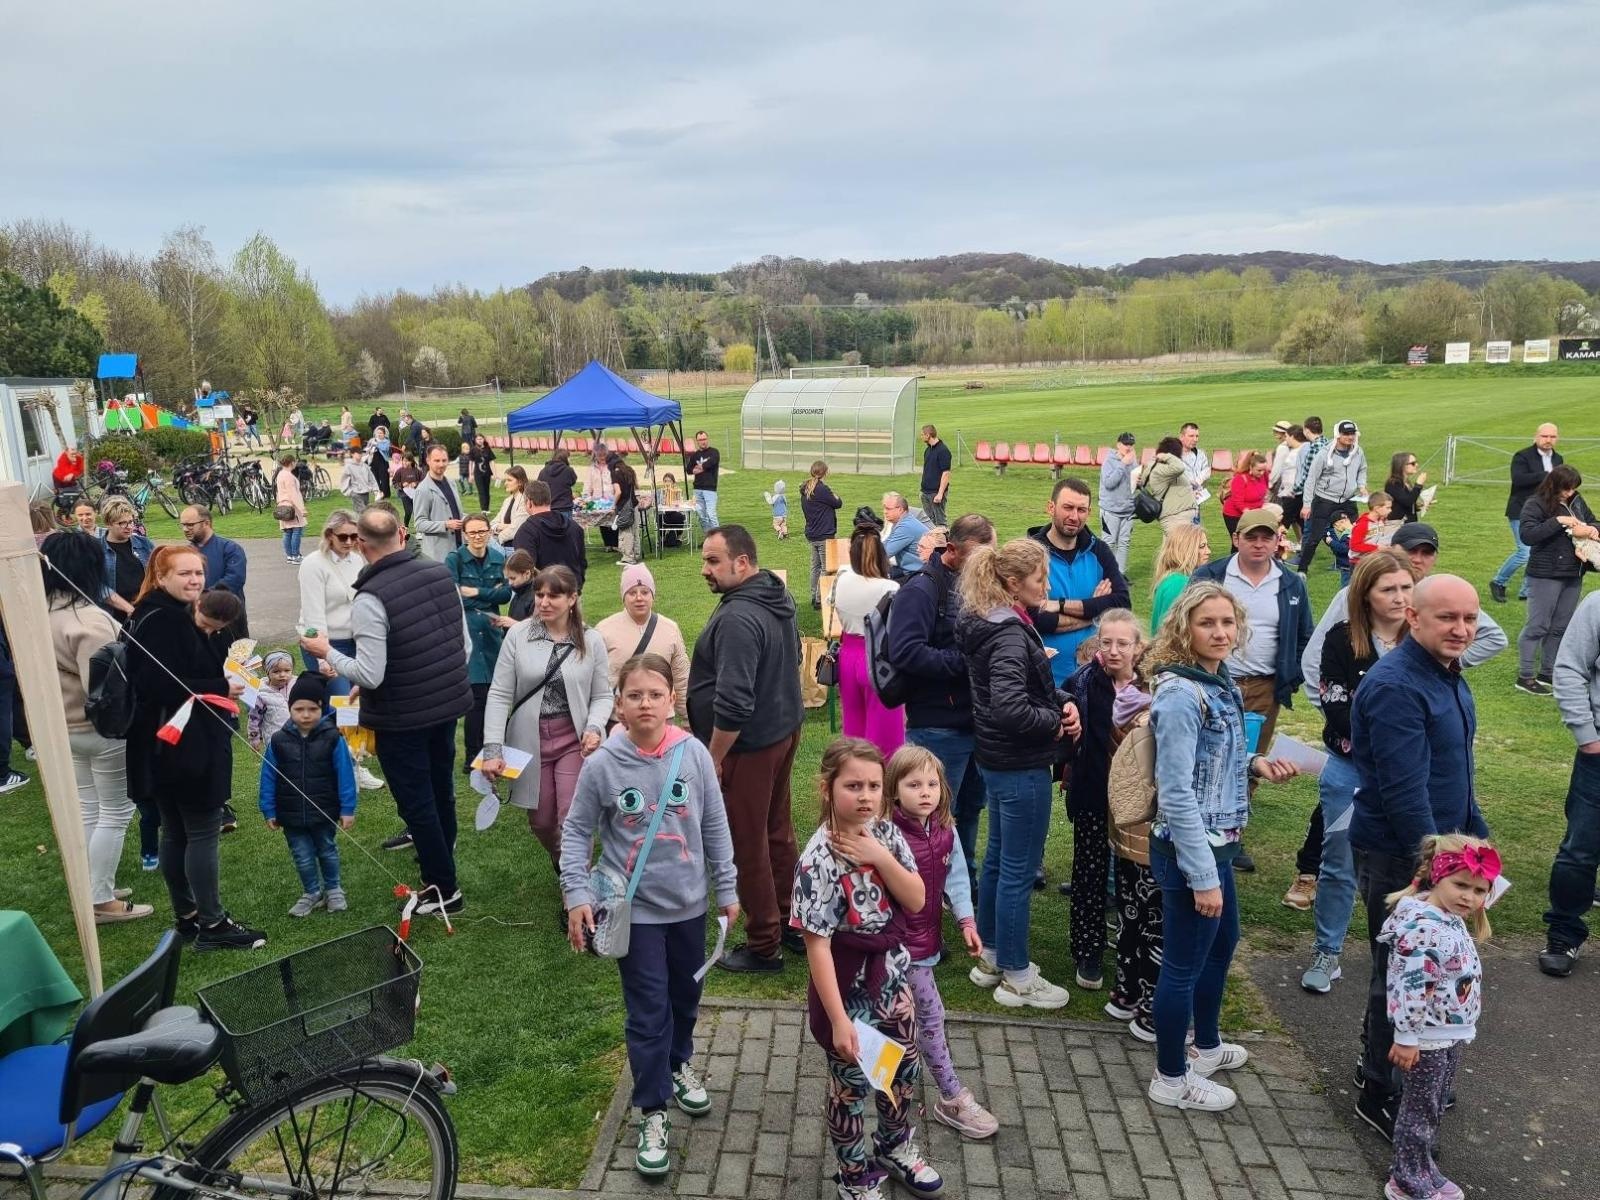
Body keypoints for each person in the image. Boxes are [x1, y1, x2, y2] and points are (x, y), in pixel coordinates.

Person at [561, 652, 738, 1178]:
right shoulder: (601, 765)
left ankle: (679, 1063)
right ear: (618, 703)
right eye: (634, 695)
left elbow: (714, 824)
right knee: (648, 1010)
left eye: (655, 695)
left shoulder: (695, 755)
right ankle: (652, 1108)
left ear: (671, 701)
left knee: (686, 997)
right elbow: (575, 832)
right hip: (632, 914)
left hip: (689, 906)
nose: (645, 704)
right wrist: (576, 895)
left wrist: (726, 886)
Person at [1142, 581, 1297, 1112]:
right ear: (1184, 629)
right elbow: (1177, 790)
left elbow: (1216, 762)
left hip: (1220, 843)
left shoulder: (1220, 680)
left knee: (1222, 943)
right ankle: (1171, 1077)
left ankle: (1204, 1047)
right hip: (1192, 851)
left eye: (1227, 622)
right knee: (1182, 965)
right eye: (1208, 623)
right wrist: (1201, 874)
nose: (1220, 632)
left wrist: (1255, 764)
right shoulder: (1182, 695)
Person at [1348, 574, 1488, 1139]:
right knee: (1403, 974)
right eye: (1448, 618)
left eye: (1470, 619)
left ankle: (1385, 1066)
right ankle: (1381, 1091)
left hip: (1443, 849)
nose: (1461, 629)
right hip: (1400, 854)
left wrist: (1478, 842)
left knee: (1434, 968)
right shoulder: (1396, 686)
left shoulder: (1447, 674)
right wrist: (1434, 878)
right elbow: (1406, 793)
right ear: (1415, 618)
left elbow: (1457, 770)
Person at [792, 738, 945, 1200]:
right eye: (852, 785)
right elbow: (817, 946)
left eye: (874, 786)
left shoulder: (887, 833)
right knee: (850, 1086)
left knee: (902, 1068)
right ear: (826, 788)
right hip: (847, 986)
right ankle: (853, 1174)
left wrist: (878, 855)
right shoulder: (816, 860)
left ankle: (895, 1146)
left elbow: (917, 899)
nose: (865, 796)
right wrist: (839, 1020)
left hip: (892, 980)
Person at [304, 505, 474, 917]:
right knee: (440, 790)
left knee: (419, 802)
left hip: (403, 716)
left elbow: (371, 673)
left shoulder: (370, 596)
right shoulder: (438, 572)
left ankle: (442, 887)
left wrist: (327, 652)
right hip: (446, 703)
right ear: (401, 534)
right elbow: (462, 646)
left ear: (362, 544)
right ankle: (441, 864)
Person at [958, 537, 1076, 1009]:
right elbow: (1009, 706)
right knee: (1017, 870)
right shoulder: (1008, 633)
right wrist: (1056, 725)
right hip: (1020, 763)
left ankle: (989, 954)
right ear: (1012, 583)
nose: (1046, 586)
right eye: (1040, 578)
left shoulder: (989, 622)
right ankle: (1017, 975)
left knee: (997, 859)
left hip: (996, 759)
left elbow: (1010, 694)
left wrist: (1060, 702)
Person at [126, 548, 263, 951]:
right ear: (161, 575)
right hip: (182, 742)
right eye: (184, 573)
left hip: (164, 741)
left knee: (177, 831)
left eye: (199, 573)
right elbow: (159, 684)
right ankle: (212, 924)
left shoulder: (160, 613)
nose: (194, 580)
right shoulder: (165, 620)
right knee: (201, 830)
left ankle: (188, 917)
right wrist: (222, 687)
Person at [687, 526, 804, 973]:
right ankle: (793, 919)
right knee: (776, 830)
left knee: (747, 841)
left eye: (713, 561)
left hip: (752, 745)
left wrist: (713, 757)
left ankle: (763, 944)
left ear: (742, 563)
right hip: (780, 730)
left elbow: (734, 702)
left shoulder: (739, 617)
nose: (704, 570)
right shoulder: (774, 594)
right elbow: (791, 657)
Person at [1299, 550, 1418, 991]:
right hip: (1352, 770)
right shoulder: (1341, 639)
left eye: (1407, 588)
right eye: (1389, 589)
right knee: (1339, 862)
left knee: (1412, 862)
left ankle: (1403, 953)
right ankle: (1327, 952)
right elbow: (1335, 704)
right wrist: (1387, 742)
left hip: (1410, 777)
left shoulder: (1424, 638)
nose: (1400, 597)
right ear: (1364, 594)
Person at [1190, 508, 1313, 874]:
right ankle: (1196, 826)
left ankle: (1233, 831)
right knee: (1206, 755)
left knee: (1248, 759)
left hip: (1262, 686)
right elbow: (1183, 621)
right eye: (1251, 537)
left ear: (1278, 541)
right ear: (1236, 539)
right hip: (1214, 680)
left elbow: (1306, 634)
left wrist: (1289, 676)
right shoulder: (1211, 575)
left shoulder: (1291, 584)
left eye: (1267, 537)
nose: (1259, 544)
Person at [886, 744, 998, 1140]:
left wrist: (966, 920)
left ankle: (887, 1085)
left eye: (932, 783)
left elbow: (956, 879)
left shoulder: (945, 831)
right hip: (896, 951)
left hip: (925, 945)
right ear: (894, 790)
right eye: (913, 784)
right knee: (928, 1019)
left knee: (898, 1022)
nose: (925, 792)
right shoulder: (886, 836)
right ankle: (949, 1094)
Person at [480, 565, 612, 892]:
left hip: (574, 741)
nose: (544, 602)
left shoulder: (591, 639)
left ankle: (575, 890)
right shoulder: (518, 635)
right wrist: (493, 748)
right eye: (540, 594)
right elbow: (499, 693)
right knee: (541, 821)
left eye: (554, 595)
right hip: (530, 741)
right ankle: (565, 862)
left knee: (571, 819)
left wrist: (595, 727)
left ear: (572, 599)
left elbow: (603, 694)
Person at [1379, 835, 1495, 1200]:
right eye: (1460, 885)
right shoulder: (1426, 928)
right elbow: (1412, 986)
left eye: (1479, 891)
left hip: (1446, 1031)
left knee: (1434, 1105)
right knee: (1419, 1110)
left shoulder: (1448, 914)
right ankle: (1405, 1179)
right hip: (1426, 1036)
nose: (1469, 897)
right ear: (1436, 877)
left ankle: (1422, 1167)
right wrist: (1407, 1036)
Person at [42, 531, 150, 924]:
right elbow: (105, 690)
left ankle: (92, 886)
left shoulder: (42, 613)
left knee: (90, 807)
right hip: (101, 729)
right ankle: (100, 898)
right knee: (117, 812)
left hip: (65, 726)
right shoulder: (88, 620)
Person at [889, 513, 996, 889]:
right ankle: (922, 890)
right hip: (936, 725)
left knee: (968, 810)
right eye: (979, 556)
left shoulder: (973, 586)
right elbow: (905, 652)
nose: (987, 565)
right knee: (929, 815)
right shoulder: (921, 589)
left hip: (975, 723)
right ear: (951, 550)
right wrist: (966, 663)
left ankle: (960, 884)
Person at [1060, 609, 1143, 990]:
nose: (1113, 651)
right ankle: (1088, 951)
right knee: (1090, 872)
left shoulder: (1152, 686)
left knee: (1134, 878)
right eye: (1106, 642)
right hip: (1093, 789)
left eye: (1122, 644)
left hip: (1136, 800)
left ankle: (1133, 949)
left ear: (1137, 647)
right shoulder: (1083, 682)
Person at [259, 672, 357, 917]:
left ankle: (333, 889)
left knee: (327, 849)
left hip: (324, 809)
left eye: (312, 709)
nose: (305, 714)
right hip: (291, 813)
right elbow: (268, 778)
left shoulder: (333, 738)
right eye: (298, 708)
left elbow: (345, 774)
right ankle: (311, 892)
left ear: (321, 709)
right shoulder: (278, 741)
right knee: (302, 855)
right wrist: (269, 810)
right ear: (290, 709)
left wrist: (347, 808)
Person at [1544, 589, 1600, 976]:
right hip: (1599, 754)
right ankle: (1564, 933)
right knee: (1580, 849)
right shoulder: (1597, 604)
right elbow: (1569, 668)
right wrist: (1588, 737)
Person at [1028, 477, 1131, 685]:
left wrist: (1060, 605)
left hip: (1094, 677)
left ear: (1089, 513)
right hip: (1047, 679)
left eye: (1081, 510)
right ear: (1051, 507)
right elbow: (1036, 619)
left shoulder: (1099, 551)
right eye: (1068, 507)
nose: (1074, 516)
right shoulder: (1031, 554)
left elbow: (1122, 603)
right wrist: (1094, 611)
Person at [1516, 464, 1595, 695]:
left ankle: (1548, 672)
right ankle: (1525, 676)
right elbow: (1528, 535)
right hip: (1545, 574)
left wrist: (1590, 530)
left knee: (1560, 627)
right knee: (1537, 626)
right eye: (1567, 489)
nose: (1570, 493)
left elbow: (1593, 520)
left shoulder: (1577, 501)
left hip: (1573, 572)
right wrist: (1559, 522)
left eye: (1573, 489)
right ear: (1554, 484)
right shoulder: (1536, 503)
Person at [831, 525, 904, 757]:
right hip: (879, 658)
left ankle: (854, 779)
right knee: (886, 736)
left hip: (848, 656)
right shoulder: (890, 587)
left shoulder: (841, 579)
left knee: (853, 731)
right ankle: (883, 785)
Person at [448, 512, 511, 770]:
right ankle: (473, 755)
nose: (477, 537)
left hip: (493, 634)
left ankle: (497, 749)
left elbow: (506, 593)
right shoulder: (454, 560)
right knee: (476, 697)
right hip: (469, 633)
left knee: (497, 694)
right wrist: (488, 596)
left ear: (489, 532)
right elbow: (453, 597)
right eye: (472, 532)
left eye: (482, 531)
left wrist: (475, 592)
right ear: (464, 535)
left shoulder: (498, 557)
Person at [595, 564, 690, 720]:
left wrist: (687, 718)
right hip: (619, 721)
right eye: (632, 593)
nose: (639, 598)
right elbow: (595, 681)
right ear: (623, 597)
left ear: (652, 595)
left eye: (645, 592)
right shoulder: (604, 630)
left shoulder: (670, 628)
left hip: (662, 720)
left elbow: (681, 677)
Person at [1490, 422, 1561, 603]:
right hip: (1520, 510)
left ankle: (1526, 590)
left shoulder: (1558, 459)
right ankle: (1499, 582)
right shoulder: (1523, 456)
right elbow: (1518, 479)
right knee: (1524, 552)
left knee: (1537, 551)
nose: (1548, 440)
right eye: (1545, 436)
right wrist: (1546, 475)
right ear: (1536, 436)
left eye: (1552, 437)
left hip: (1545, 511)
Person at [296, 509, 363, 695]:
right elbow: (313, 614)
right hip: (326, 643)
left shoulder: (357, 560)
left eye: (354, 536)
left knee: (358, 706)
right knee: (339, 705)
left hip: (355, 642)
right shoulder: (313, 564)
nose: (349, 541)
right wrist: (322, 657)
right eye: (343, 537)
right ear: (329, 535)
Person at [1298, 420, 1367, 573]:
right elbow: (1311, 479)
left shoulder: (1358, 451)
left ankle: (1354, 567)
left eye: (1352, 433)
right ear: (1338, 435)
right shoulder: (1324, 454)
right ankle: (1302, 571)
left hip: (1348, 500)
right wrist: (1307, 504)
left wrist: (1361, 485)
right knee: (1314, 537)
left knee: (1355, 533)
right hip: (1325, 500)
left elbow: (1362, 469)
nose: (1350, 437)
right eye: (1346, 434)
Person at [180, 505, 248, 633]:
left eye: (190, 525)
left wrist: (204, 598)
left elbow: (235, 579)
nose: (185, 529)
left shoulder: (230, 548)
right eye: (183, 525)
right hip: (196, 619)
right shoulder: (184, 553)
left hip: (228, 618)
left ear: (206, 523)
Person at [513, 479, 588, 587]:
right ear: (549, 500)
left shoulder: (527, 532)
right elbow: (582, 564)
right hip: (571, 593)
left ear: (529, 502)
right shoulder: (574, 527)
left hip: (544, 597)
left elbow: (525, 572)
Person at [96, 497, 152, 621]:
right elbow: (97, 586)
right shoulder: (96, 549)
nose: (129, 527)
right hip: (114, 615)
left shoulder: (144, 544)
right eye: (122, 523)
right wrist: (128, 608)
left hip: (145, 608)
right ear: (108, 524)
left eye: (131, 521)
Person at [1149, 524, 1211, 633]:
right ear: (1186, 549)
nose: (1208, 551)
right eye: (1202, 546)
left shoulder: (1172, 578)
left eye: (1207, 546)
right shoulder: (1178, 584)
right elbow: (1169, 632)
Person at [413, 443, 466, 562]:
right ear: (428, 461)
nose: (441, 464)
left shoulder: (452, 483)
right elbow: (420, 524)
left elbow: (455, 512)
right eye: (437, 460)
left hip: (458, 548)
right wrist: (445, 525)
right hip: (439, 554)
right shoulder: (423, 490)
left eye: (444, 460)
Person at [802, 460, 843, 609]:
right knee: (826, 568)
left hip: (812, 533)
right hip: (824, 534)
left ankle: (814, 595)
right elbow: (838, 503)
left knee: (815, 567)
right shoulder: (823, 490)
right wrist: (834, 494)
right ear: (826, 473)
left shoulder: (806, 489)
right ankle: (821, 598)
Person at [1098, 433, 1138, 572]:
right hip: (1110, 510)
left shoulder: (1133, 460)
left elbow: (1133, 482)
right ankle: (1107, 574)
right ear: (1118, 444)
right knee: (1109, 543)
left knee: (1124, 543)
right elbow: (1109, 483)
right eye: (1126, 444)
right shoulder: (1109, 461)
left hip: (1128, 509)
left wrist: (1139, 481)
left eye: (1131, 444)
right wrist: (1123, 465)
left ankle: (1120, 575)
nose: (1128, 447)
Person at [1147, 436, 1199, 532]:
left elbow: (1175, 489)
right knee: (1179, 546)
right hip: (1176, 518)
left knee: (1174, 546)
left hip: (1180, 517)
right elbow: (1180, 467)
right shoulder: (1160, 469)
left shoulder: (1167, 468)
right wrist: (1165, 456)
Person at [247, 651, 294, 751]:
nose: (282, 675)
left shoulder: (297, 685)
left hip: (298, 737)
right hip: (275, 741)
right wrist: (254, 738)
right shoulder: (262, 695)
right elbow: (254, 718)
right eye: (276, 672)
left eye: (287, 670)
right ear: (268, 672)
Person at [1220, 451, 1269, 538]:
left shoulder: (1264, 475)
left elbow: (1266, 489)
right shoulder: (1240, 479)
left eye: (1263, 470)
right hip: (1234, 515)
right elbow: (1238, 502)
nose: (1262, 473)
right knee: (1239, 542)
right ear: (1251, 467)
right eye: (1259, 470)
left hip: (1253, 514)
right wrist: (1249, 514)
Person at [880, 492, 929, 579]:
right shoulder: (903, 521)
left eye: (888, 509)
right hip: (912, 571)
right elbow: (885, 544)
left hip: (917, 574)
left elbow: (884, 553)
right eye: (884, 508)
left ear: (900, 509)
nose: (885, 512)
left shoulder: (905, 527)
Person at [1347, 490, 1395, 575]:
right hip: (1358, 563)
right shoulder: (1363, 525)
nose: (1390, 510)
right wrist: (1376, 548)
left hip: (1372, 560)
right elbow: (1354, 545)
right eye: (1387, 508)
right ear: (1376, 508)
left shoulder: (1380, 521)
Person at [1272, 423, 1307, 538]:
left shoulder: (1286, 449)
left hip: (1290, 492)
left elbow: (1278, 470)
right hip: (1299, 491)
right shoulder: (1306, 448)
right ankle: (1302, 544)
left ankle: (1279, 547)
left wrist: (1270, 483)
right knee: (1298, 520)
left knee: (1283, 521)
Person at [274, 453, 308, 565]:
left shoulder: (280, 474)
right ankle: (295, 555)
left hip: (282, 505)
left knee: (287, 532)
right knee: (296, 530)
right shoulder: (288, 476)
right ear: (291, 462)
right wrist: (302, 509)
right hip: (292, 506)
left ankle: (289, 555)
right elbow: (293, 494)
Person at [685, 430, 720, 530]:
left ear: (707, 439)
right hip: (697, 489)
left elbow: (710, 463)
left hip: (710, 489)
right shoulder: (695, 455)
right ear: (697, 441)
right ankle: (708, 538)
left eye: (704, 439)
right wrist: (699, 468)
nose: (703, 442)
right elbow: (688, 470)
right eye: (700, 440)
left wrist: (700, 467)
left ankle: (718, 539)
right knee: (702, 516)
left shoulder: (714, 452)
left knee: (711, 514)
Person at [920, 424, 952, 527]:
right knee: (928, 523)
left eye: (922, 435)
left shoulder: (943, 451)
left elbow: (946, 473)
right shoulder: (928, 450)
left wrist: (940, 494)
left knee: (940, 523)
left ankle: (944, 541)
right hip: (925, 492)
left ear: (928, 435)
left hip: (936, 493)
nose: (921, 437)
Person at [611, 459, 642, 566]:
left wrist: (612, 504)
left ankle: (628, 558)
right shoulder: (629, 470)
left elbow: (618, 491)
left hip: (624, 506)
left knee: (626, 531)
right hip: (633, 504)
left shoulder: (615, 474)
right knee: (635, 531)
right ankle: (636, 554)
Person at [1383, 451, 1427, 525]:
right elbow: (1408, 502)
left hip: (1409, 523)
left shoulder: (1406, 482)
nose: (1417, 465)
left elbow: (1406, 502)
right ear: (1402, 466)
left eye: (1416, 462)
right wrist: (1418, 485)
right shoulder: (1393, 483)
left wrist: (1419, 506)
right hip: (1398, 524)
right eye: (1413, 463)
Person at [492, 465, 531, 545]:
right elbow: (492, 523)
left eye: (509, 480)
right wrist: (500, 526)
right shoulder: (507, 501)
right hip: (504, 544)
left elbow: (516, 528)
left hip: (516, 545)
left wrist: (497, 539)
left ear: (520, 482)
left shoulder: (525, 500)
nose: (505, 483)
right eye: (505, 480)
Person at [1178, 422, 1211, 506]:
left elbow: (1206, 470)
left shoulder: (1200, 454)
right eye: (1191, 436)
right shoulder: (1173, 456)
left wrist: (1198, 481)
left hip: (1197, 499)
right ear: (1181, 437)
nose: (1195, 439)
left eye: (1197, 436)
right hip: (1180, 501)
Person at [538, 447, 578, 514]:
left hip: (548, 508)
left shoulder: (543, 471)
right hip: (564, 507)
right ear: (566, 458)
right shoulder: (568, 470)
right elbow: (573, 481)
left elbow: (539, 488)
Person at [391, 450, 423, 524]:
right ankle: (405, 526)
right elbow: (394, 483)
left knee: (416, 512)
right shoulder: (400, 471)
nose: (404, 463)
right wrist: (402, 484)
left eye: (407, 461)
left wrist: (416, 483)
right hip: (404, 494)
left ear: (411, 461)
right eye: (403, 461)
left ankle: (419, 529)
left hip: (416, 494)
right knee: (408, 511)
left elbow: (423, 482)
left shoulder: (417, 471)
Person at [504, 549, 536, 621]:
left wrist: (514, 624)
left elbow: (538, 628)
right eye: (508, 578)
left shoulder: (536, 597)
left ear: (527, 574)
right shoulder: (518, 592)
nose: (509, 583)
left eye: (513, 578)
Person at [470, 434, 497, 511]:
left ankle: (487, 508)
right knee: (481, 491)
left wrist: (495, 473)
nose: (480, 440)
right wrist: (471, 474)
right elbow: (471, 463)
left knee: (486, 491)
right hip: (478, 474)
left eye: (481, 439)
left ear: (484, 439)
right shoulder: (473, 450)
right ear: (475, 440)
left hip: (487, 473)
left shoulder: (487, 449)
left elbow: (492, 461)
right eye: (478, 439)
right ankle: (483, 509)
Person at [368, 425, 393, 498]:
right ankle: (379, 492)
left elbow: (384, 448)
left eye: (381, 433)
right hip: (374, 461)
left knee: (384, 478)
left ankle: (385, 493)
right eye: (378, 433)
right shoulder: (373, 440)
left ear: (384, 434)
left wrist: (377, 444)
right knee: (375, 478)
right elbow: (368, 448)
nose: (379, 434)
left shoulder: (387, 441)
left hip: (383, 461)